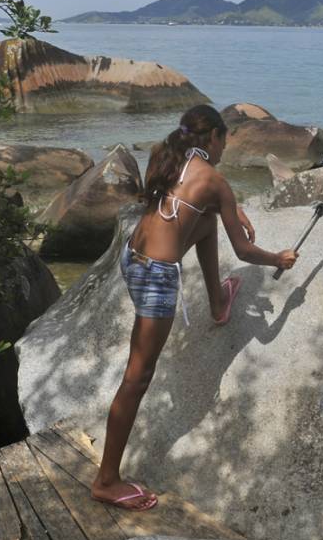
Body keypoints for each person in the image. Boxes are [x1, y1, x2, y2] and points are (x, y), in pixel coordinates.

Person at [91, 104, 299, 511]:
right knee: (137, 377)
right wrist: (278, 259)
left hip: (133, 259)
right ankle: (106, 480)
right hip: (156, 279)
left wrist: (228, 209)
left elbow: (191, 203)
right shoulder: (215, 180)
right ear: (214, 138)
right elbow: (243, 249)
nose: (224, 150)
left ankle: (219, 303)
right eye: (224, 141)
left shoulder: (166, 157)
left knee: (204, 222)